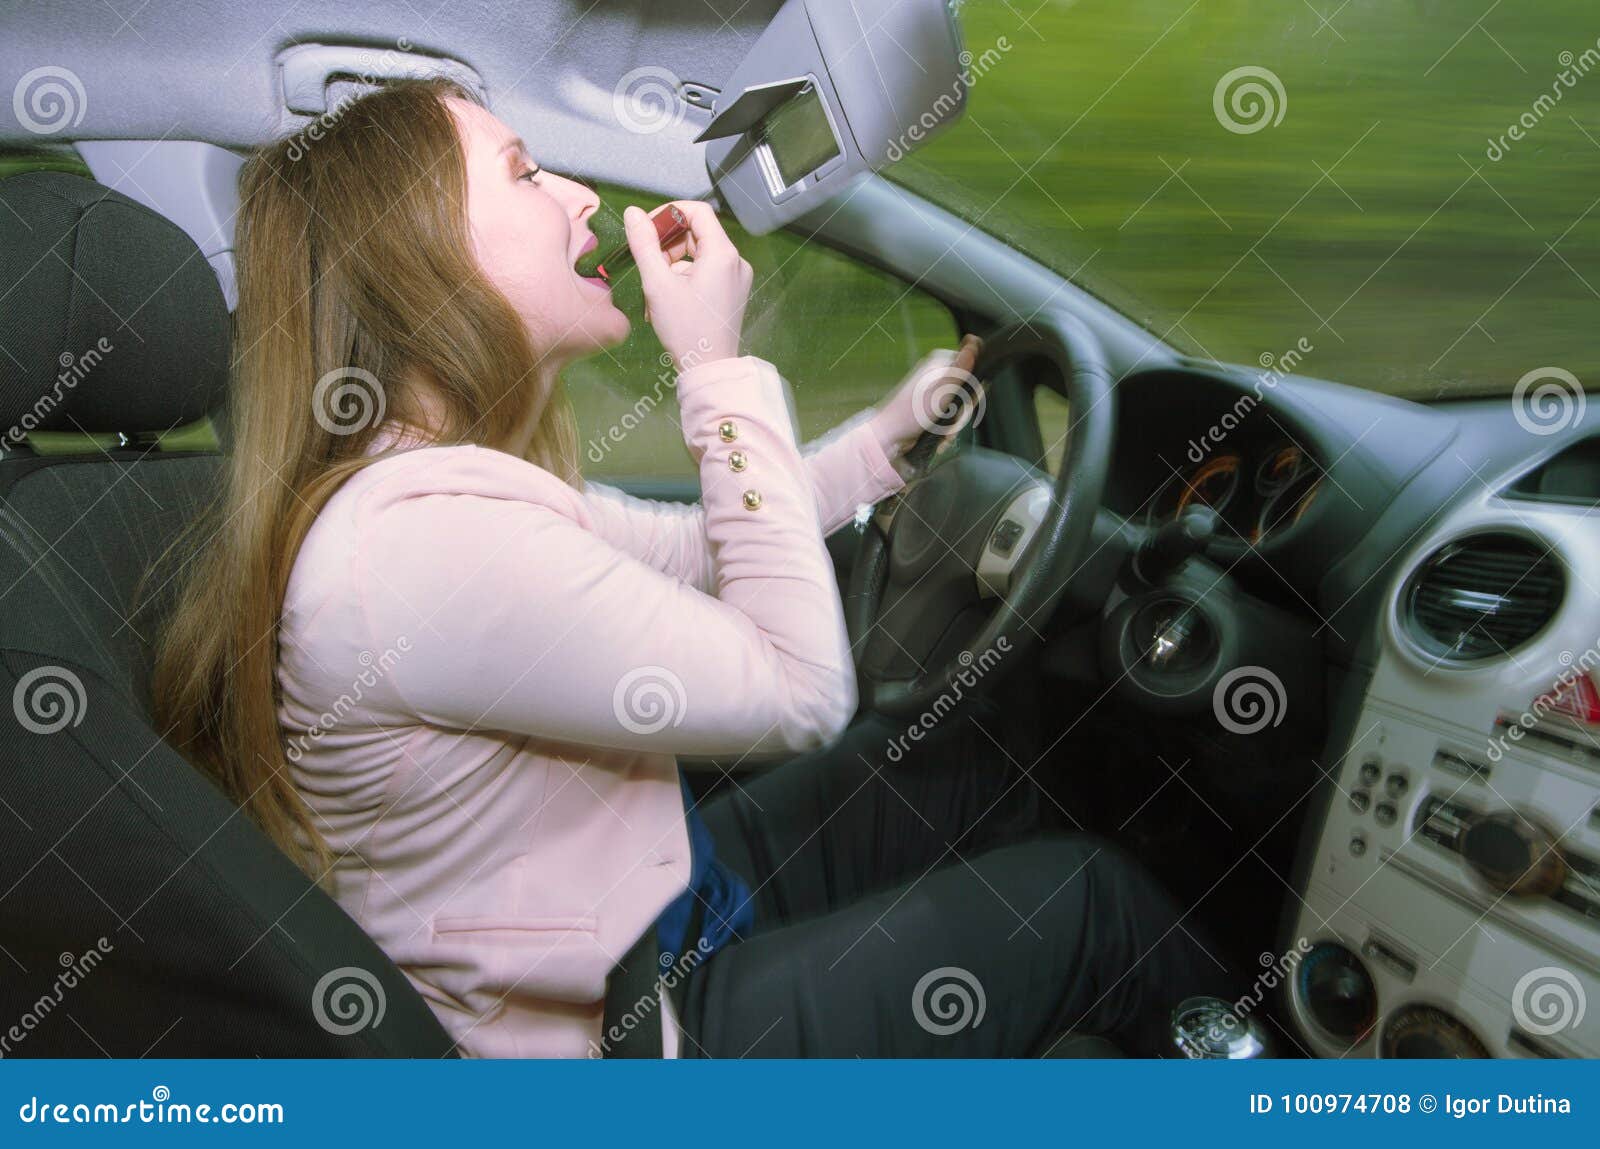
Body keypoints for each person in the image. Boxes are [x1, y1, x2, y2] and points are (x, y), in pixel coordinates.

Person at [153, 78, 1232, 1059]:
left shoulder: (428, 491)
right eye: (525, 174)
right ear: (418, 253)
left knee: (971, 761)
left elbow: (695, 549)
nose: (580, 196)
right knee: (1093, 907)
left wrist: (878, 446)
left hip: (657, 903)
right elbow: (801, 689)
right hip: (628, 1035)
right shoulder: (420, 550)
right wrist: (712, 366)